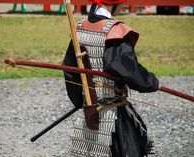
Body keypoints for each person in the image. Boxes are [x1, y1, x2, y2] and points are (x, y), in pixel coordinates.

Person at [63, 0, 159, 156]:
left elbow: (69, 71)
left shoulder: (80, 28)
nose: (124, 6)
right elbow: (127, 69)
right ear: (111, 4)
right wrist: (150, 82)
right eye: (121, 3)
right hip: (113, 115)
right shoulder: (114, 31)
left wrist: (83, 103)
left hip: (88, 116)